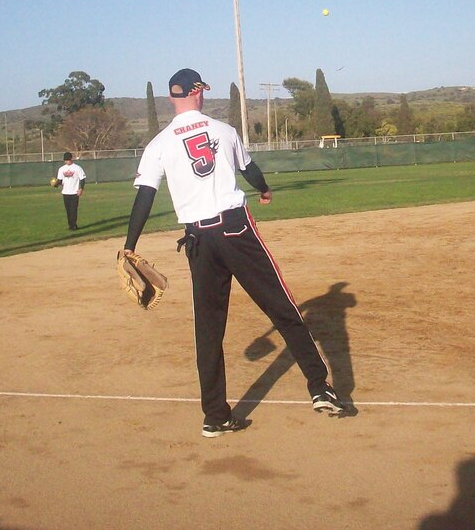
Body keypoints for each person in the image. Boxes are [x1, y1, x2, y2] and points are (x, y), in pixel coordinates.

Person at [122, 68, 347, 438]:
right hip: (235, 230)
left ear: (172, 97)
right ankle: (320, 387)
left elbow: (144, 195)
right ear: (197, 92)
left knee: (208, 330)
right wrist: (265, 189)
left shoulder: (158, 144)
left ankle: (215, 416)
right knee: (281, 307)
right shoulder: (223, 131)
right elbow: (249, 169)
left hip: (197, 240)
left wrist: (130, 245)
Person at [56, 152, 86, 230]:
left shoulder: (77, 168)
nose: (66, 161)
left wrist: (81, 189)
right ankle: (70, 225)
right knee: (68, 210)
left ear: (71, 159)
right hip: (65, 192)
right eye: (65, 160)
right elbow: (60, 181)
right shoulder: (61, 169)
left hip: (74, 192)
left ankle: (73, 225)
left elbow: (82, 179)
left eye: (68, 160)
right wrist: (55, 184)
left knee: (73, 210)